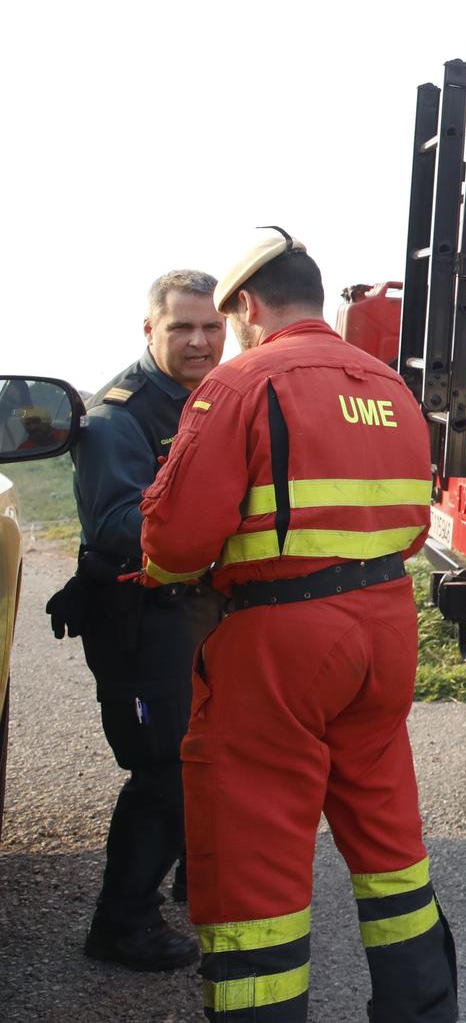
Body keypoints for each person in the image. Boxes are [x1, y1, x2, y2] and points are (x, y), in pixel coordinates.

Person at [138, 229, 457, 1023]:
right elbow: (413, 527)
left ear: (247, 306)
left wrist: (172, 580)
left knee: (256, 853)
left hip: (278, 639)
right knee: (390, 843)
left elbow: (174, 542)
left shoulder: (240, 383)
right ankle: (422, 1008)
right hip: (383, 628)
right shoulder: (387, 384)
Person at [43, 269, 226, 971]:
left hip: (200, 612)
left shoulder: (214, 397)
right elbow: (120, 522)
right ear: (149, 330)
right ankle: (120, 923)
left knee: (208, 754)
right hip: (139, 614)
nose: (200, 340)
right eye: (182, 327)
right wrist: (220, 527)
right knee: (163, 769)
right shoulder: (118, 416)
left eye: (211, 326)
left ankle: (193, 872)